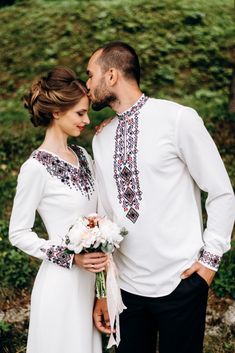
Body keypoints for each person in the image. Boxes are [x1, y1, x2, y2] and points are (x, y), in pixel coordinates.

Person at [87, 42, 235, 353]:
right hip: (127, 290)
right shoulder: (101, 139)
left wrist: (209, 263)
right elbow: (103, 219)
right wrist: (105, 290)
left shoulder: (178, 119)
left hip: (181, 282)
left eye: (90, 75)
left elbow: (221, 192)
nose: (87, 85)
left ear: (111, 75)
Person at [8, 67, 108, 353]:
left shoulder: (84, 156)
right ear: (56, 112)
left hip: (90, 285)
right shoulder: (35, 168)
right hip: (60, 284)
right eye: (80, 113)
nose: (87, 120)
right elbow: (18, 233)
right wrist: (69, 258)